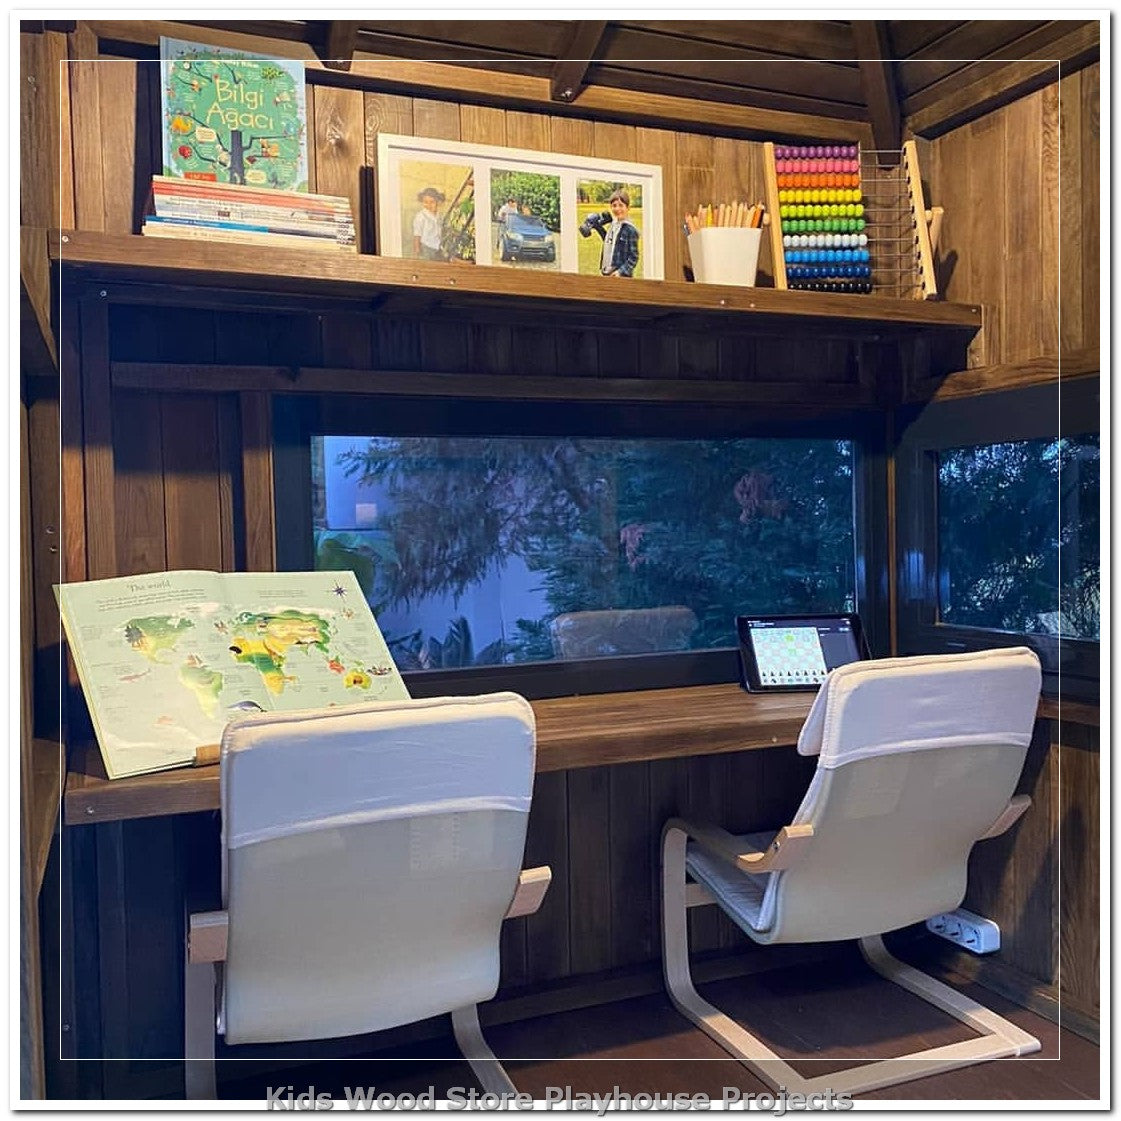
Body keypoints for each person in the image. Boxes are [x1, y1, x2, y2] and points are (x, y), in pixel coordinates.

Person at [579, 188, 639, 277]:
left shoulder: (630, 229)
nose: (617, 208)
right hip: (607, 270)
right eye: (614, 205)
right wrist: (598, 226)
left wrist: (620, 272)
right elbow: (609, 241)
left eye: (621, 205)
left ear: (628, 208)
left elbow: (634, 257)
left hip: (620, 275)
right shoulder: (614, 224)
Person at [412, 187, 445, 260]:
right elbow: (417, 235)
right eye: (425, 202)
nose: (429, 205)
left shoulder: (439, 215)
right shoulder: (421, 216)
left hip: (437, 247)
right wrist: (416, 251)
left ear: (438, 202)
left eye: (432, 202)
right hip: (426, 248)